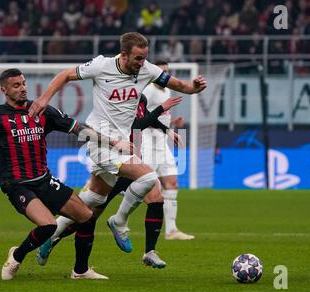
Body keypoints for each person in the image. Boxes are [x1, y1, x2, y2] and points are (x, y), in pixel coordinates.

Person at [0, 68, 132, 280]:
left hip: (44, 179)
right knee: (48, 225)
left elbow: (78, 130)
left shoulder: (42, 110)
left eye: (24, 83)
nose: (23, 89)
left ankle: (80, 271)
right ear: (4, 90)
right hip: (17, 184)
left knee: (87, 217)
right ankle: (17, 255)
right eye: (16, 85)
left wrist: (113, 142)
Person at [28, 32, 206, 262]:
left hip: (123, 144)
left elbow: (179, 84)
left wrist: (193, 87)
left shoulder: (147, 70)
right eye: (138, 59)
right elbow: (65, 75)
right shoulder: (101, 66)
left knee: (93, 201)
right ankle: (119, 221)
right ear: (124, 55)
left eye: (144, 58)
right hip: (100, 140)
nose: (142, 64)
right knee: (149, 177)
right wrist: (43, 99)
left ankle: (51, 237)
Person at [37, 94, 183, 268]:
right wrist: (162, 108)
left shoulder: (140, 97)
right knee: (89, 212)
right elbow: (135, 125)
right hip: (111, 154)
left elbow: (144, 118)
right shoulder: (118, 96)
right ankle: (54, 236)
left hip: (130, 157)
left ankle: (149, 251)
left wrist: (167, 130)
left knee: (156, 196)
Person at [141, 61, 195, 241]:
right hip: (147, 142)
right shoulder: (148, 90)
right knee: (145, 186)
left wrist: (172, 123)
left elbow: (159, 116)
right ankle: (120, 214)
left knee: (172, 184)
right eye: (161, 72)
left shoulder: (166, 90)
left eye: (167, 72)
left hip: (162, 143)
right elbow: (144, 118)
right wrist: (169, 130)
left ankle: (171, 230)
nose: (164, 76)